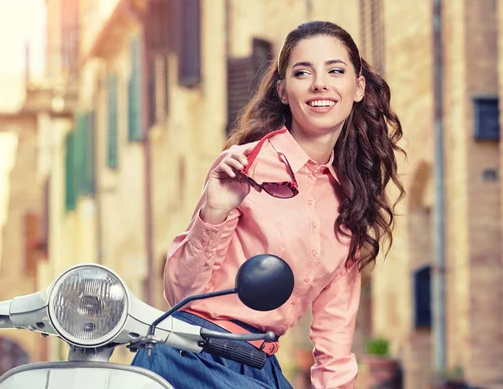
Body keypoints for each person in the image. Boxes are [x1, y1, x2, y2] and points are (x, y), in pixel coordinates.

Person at [132, 20, 405, 389]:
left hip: (260, 363)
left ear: (357, 88)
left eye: (335, 71)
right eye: (302, 72)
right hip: (190, 354)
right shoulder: (244, 165)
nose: (319, 83)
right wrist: (214, 212)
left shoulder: (351, 200)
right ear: (282, 90)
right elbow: (179, 293)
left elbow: (335, 344)